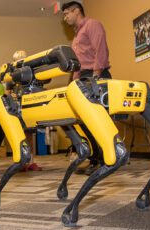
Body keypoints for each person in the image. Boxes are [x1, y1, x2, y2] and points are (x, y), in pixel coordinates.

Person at [62, 1, 111, 175]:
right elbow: (78, 64)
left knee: (98, 120)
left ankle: (107, 160)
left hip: (95, 76)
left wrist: (96, 76)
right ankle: (95, 159)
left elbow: (101, 50)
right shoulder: (76, 37)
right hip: (83, 78)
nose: (65, 17)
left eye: (67, 13)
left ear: (77, 11)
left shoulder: (92, 25)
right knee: (85, 122)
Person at [9, 50, 42, 172]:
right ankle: (20, 161)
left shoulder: (32, 75)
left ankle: (31, 161)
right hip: (17, 109)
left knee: (30, 136)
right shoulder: (12, 77)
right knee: (18, 136)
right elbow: (8, 92)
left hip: (28, 107)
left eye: (22, 60)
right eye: (16, 61)